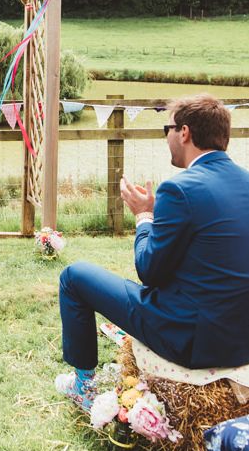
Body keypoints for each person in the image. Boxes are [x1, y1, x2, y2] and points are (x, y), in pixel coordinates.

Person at [56, 94, 249, 411]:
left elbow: (149, 271)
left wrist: (144, 217)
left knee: (74, 276)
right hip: (242, 341)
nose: (168, 137)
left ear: (184, 132)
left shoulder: (179, 189)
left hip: (192, 341)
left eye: (167, 129)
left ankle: (83, 387)